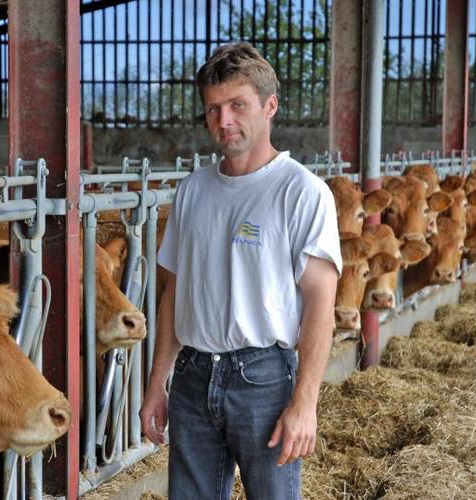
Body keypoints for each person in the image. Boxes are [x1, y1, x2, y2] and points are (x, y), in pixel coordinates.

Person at [139, 42, 342, 499]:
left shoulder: (302, 192)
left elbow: (320, 304)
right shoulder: (192, 191)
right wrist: (158, 385)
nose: (224, 120)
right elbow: (175, 293)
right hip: (192, 377)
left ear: (270, 106)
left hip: (264, 379)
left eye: (237, 105)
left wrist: (305, 402)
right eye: (213, 109)